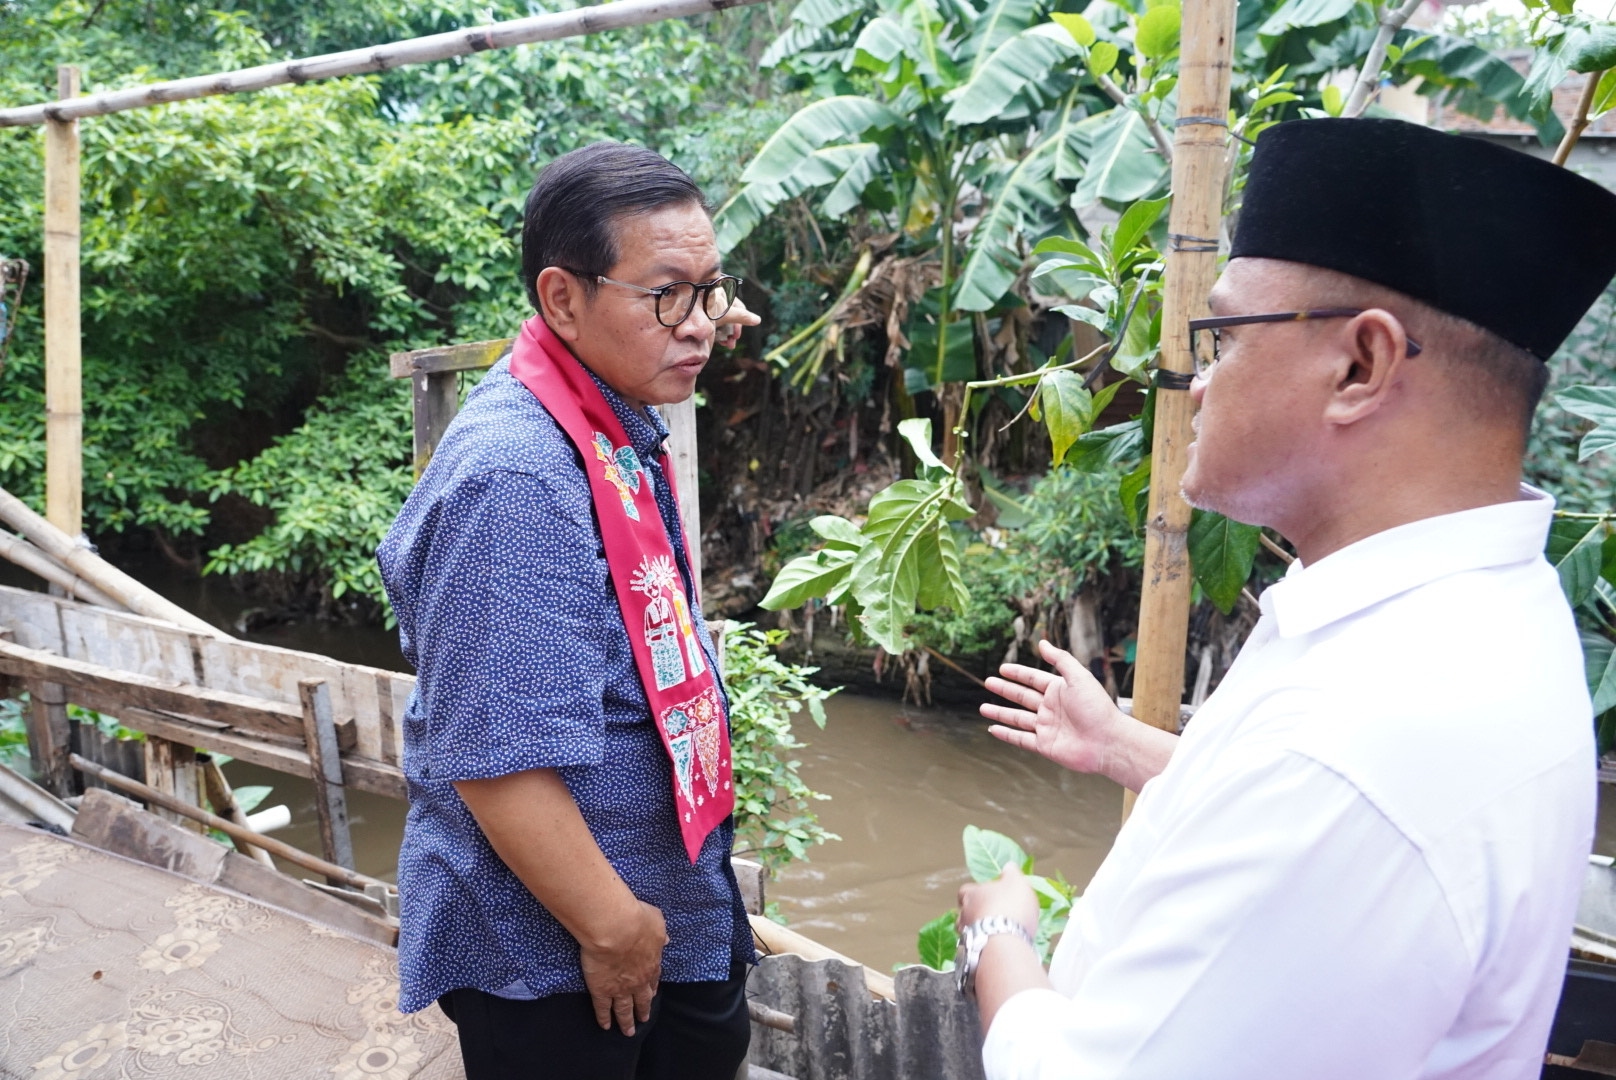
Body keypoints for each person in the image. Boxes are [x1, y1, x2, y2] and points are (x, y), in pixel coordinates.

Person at [957, 117, 1616, 1079]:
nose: (1194, 382)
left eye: (1222, 336)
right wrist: (1128, 749)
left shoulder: (1363, 746)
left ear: (1361, 367)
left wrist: (1001, 938)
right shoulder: (1482, 612)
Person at [377, 141, 761, 1080]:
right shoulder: (515, 478)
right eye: (669, 294)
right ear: (561, 299)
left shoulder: (596, 407)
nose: (704, 324)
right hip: (556, 956)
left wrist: (684, 301)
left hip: (660, 900)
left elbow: (683, 313)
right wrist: (615, 925)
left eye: (712, 289)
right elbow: (495, 757)